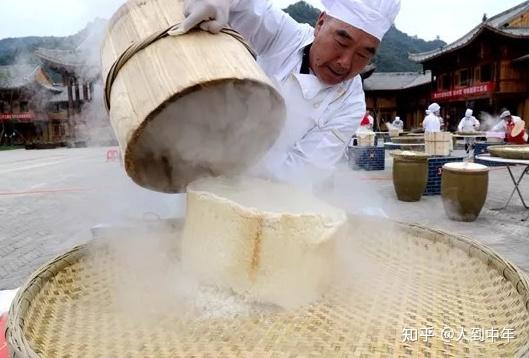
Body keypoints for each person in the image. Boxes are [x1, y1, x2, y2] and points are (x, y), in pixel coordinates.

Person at [181, 0, 400, 183]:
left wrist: (232, 172)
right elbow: (247, 6)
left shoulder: (350, 104)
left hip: (262, 192)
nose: (345, 63)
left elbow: (301, 174)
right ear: (321, 24)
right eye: (341, 42)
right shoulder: (285, 36)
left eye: (363, 54)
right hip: (194, 156)